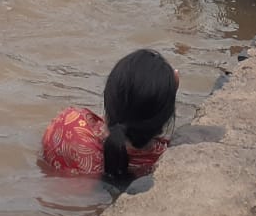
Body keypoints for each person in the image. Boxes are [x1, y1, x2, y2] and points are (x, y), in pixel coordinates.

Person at [41, 48, 178, 180]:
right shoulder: (158, 161)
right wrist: (169, 95)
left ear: (109, 97)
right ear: (163, 118)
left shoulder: (68, 124)